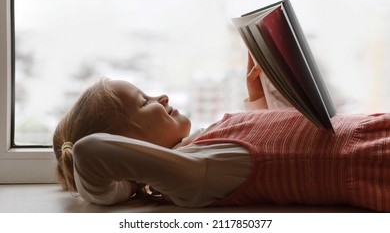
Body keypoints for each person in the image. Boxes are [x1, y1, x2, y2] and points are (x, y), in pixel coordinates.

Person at [53, 53, 390, 212]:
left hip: (372, 133)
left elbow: (276, 154)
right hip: (372, 160)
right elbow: (90, 151)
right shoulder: (191, 175)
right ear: (128, 148)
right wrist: (130, 180)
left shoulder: (205, 146)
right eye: (143, 102)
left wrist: (259, 99)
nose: (162, 97)